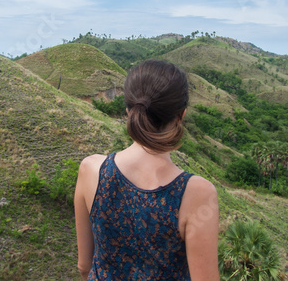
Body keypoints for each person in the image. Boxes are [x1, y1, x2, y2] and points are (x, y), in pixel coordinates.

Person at [74, 60, 219, 280]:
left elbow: (85, 266)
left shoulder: (91, 170)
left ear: (128, 111)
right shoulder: (198, 193)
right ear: (181, 115)